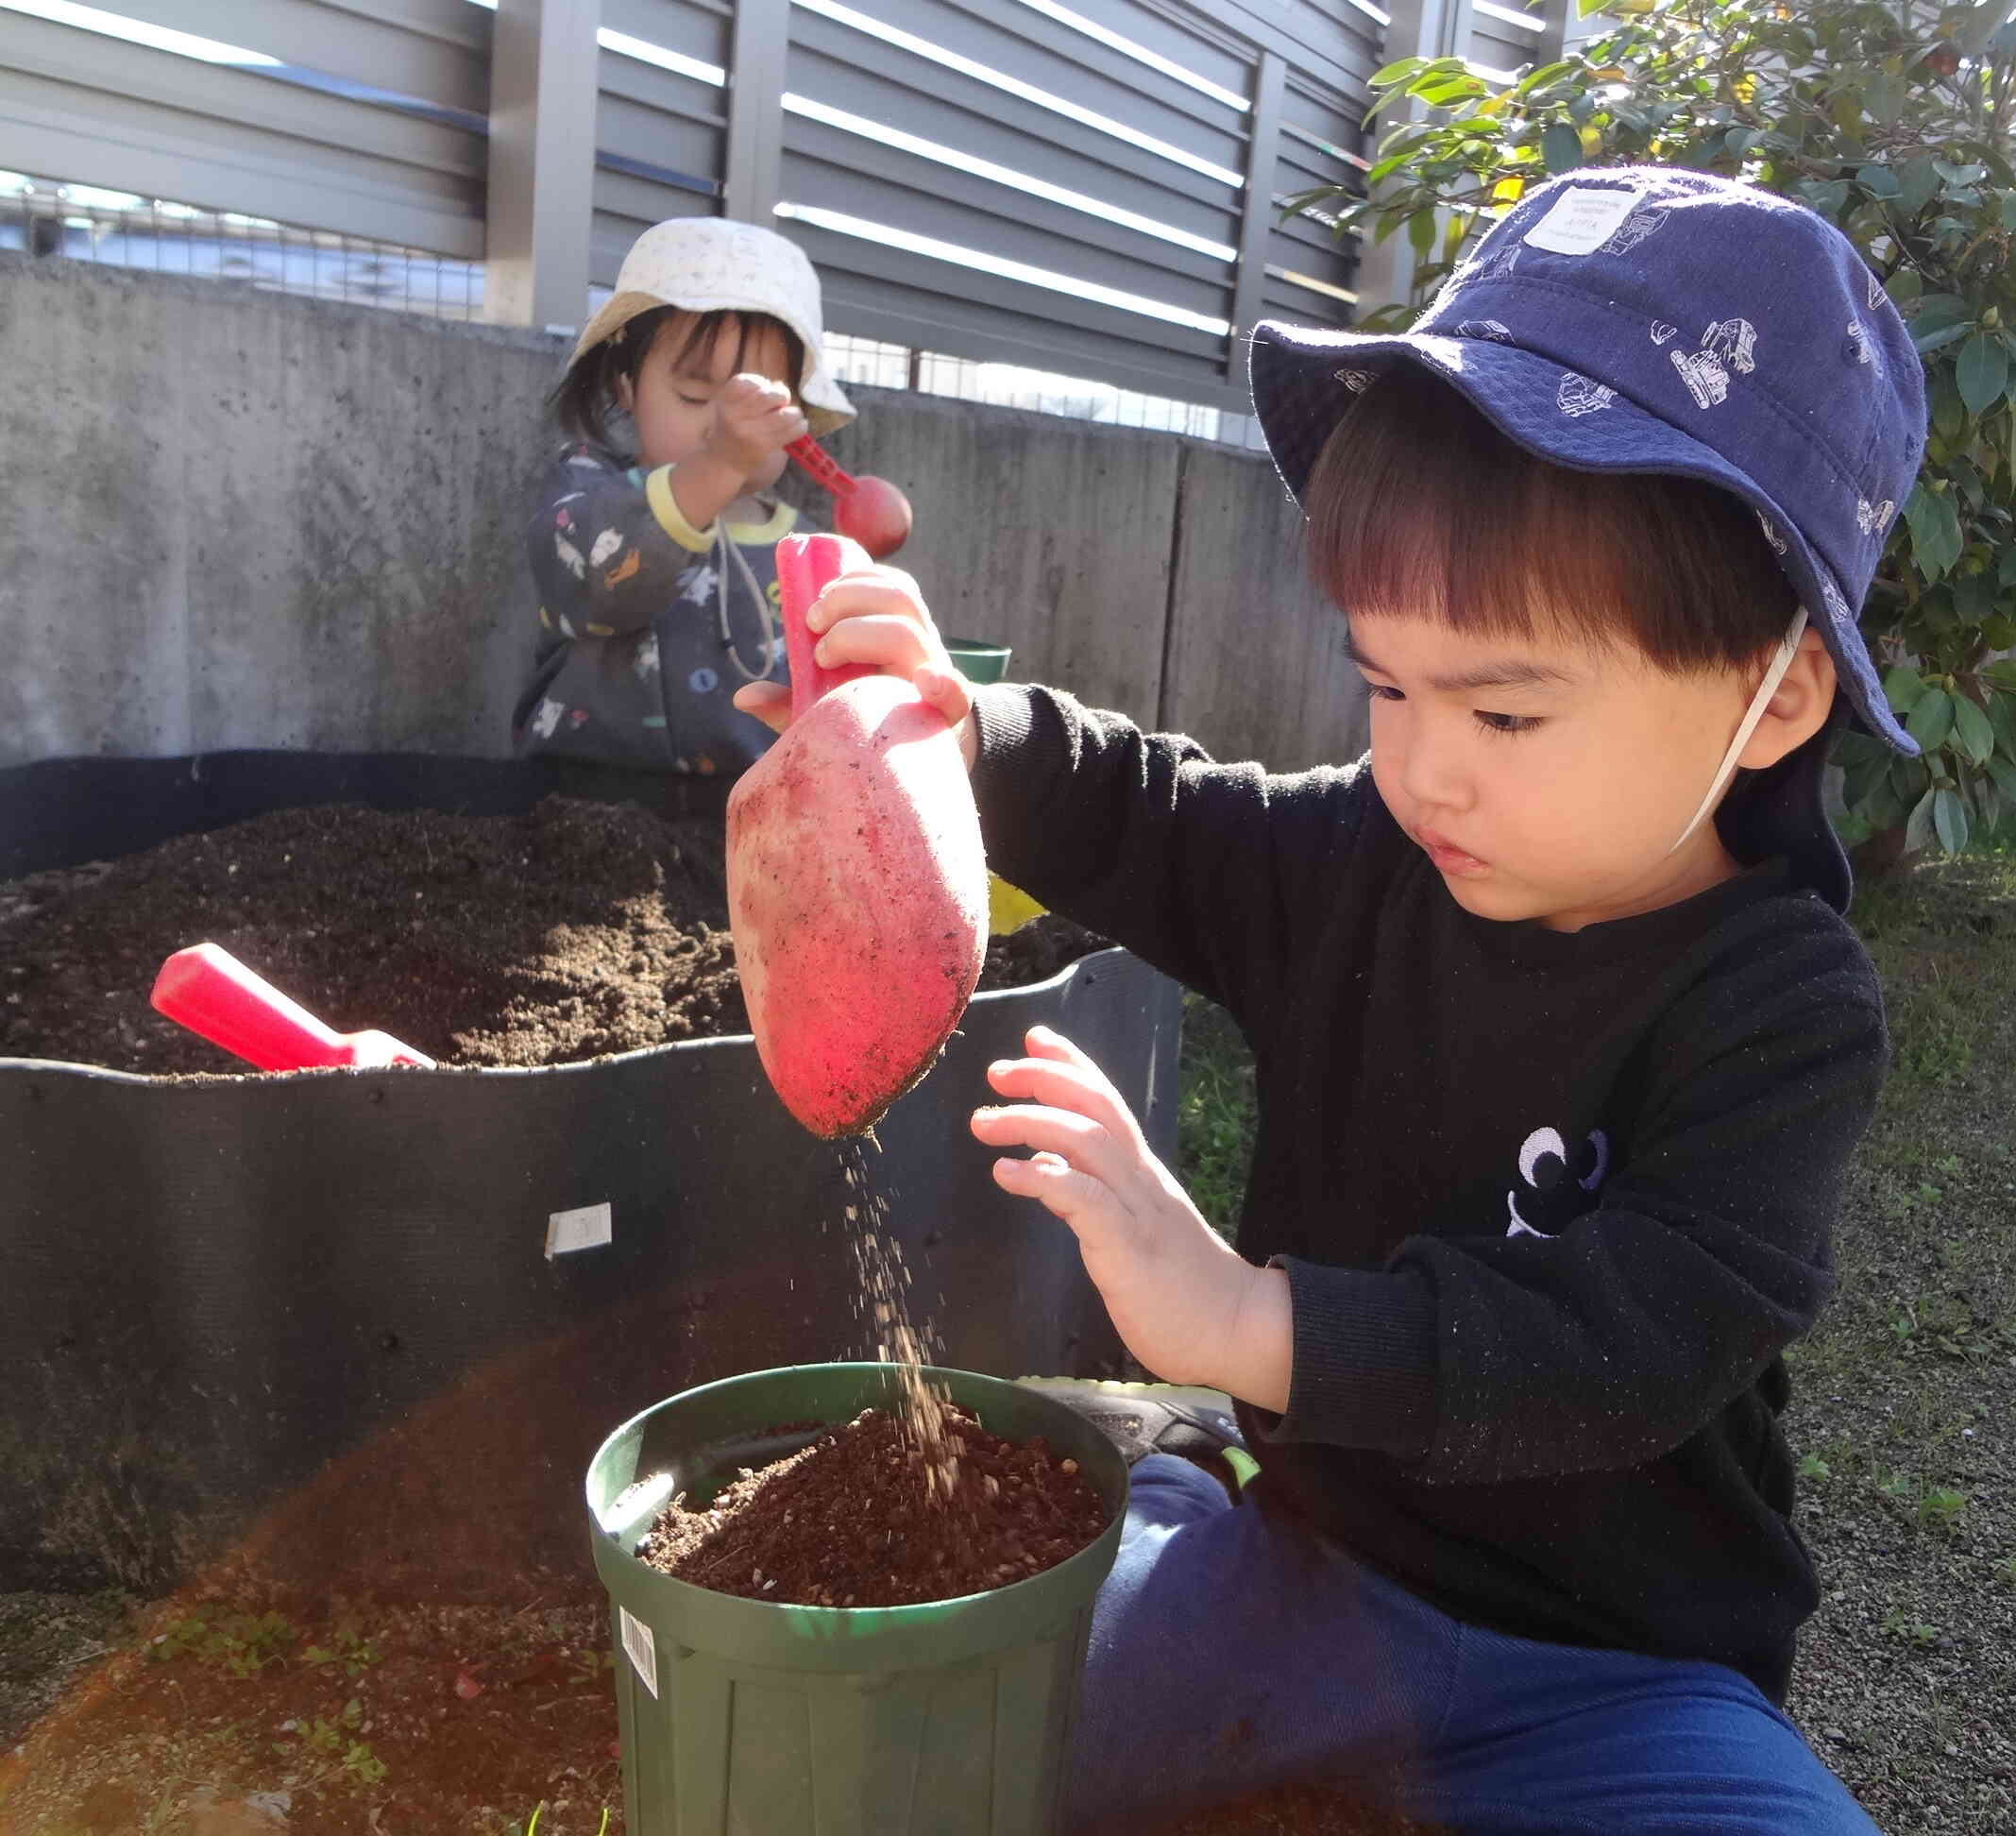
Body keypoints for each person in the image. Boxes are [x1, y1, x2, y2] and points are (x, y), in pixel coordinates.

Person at [742, 164, 1923, 1833]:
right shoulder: (1366, 855)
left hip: (1613, 1673)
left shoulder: (1780, 1002)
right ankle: (1164, 1509)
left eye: (1505, 712)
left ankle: (1170, 1475)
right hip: (1298, 1582)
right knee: (924, 1740)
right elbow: (1155, 813)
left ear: (1776, 692)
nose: (1421, 764)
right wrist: (955, 724)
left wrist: (1248, 1323)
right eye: (1381, 680)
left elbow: (1635, 1336)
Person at [514, 217, 855, 774]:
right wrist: (718, 463)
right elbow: (587, 585)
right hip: (578, 803)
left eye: (763, 404)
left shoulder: (812, 552)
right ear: (626, 383)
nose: (726, 424)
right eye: (695, 394)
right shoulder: (587, 491)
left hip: (741, 828)